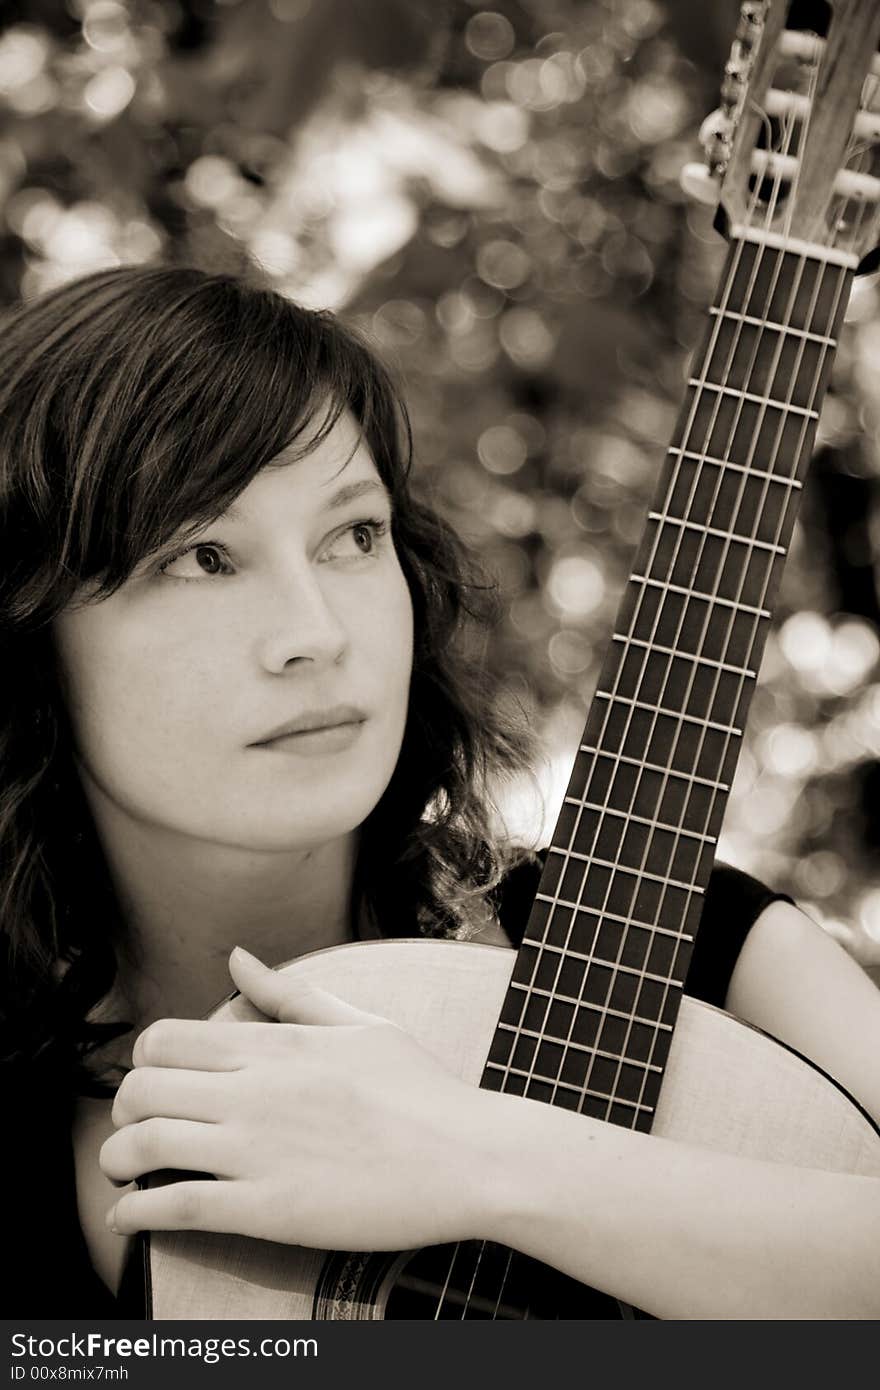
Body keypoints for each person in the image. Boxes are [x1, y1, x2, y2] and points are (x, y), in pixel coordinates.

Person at [1, 266, 878, 1322]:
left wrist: (480, 1154)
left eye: (354, 535)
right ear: (34, 637)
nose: (318, 634)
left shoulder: (698, 937)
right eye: (204, 556)